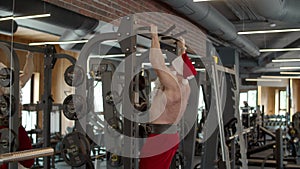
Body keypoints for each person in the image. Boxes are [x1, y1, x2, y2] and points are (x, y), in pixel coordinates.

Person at [139, 25, 197, 169]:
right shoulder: (185, 86)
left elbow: (157, 63)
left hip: (160, 137)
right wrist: (182, 48)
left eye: (172, 67)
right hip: (170, 135)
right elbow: (180, 66)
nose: (169, 68)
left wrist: (154, 37)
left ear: (177, 72)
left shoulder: (173, 86)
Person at [0, 51, 34, 169]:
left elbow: (27, 73)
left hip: (15, 125)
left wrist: (29, 56)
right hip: (3, 127)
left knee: (28, 160)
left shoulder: (14, 84)